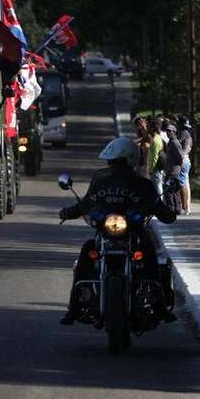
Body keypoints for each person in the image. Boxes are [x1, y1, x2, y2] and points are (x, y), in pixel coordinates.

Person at [58, 137, 177, 325]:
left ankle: (160, 305)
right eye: (112, 162)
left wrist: (164, 211)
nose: (113, 166)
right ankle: (73, 308)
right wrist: (70, 211)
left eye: (115, 162)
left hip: (133, 234)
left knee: (148, 253)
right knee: (86, 254)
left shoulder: (142, 185)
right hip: (105, 234)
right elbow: (88, 202)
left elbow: (158, 206)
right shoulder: (101, 179)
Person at [177, 116, 193, 215]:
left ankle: (186, 207)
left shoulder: (183, 134)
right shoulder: (189, 135)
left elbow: (179, 146)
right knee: (186, 183)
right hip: (187, 160)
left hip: (183, 160)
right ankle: (187, 206)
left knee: (182, 184)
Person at [147, 117, 166, 196]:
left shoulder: (155, 140)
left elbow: (155, 157)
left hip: (156, 169)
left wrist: (151, 169)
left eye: (149, 126)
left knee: (158, 189)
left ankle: (161, 205)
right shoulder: (158, 137)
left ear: (152, 128)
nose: (147, 128)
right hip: (158, 168)